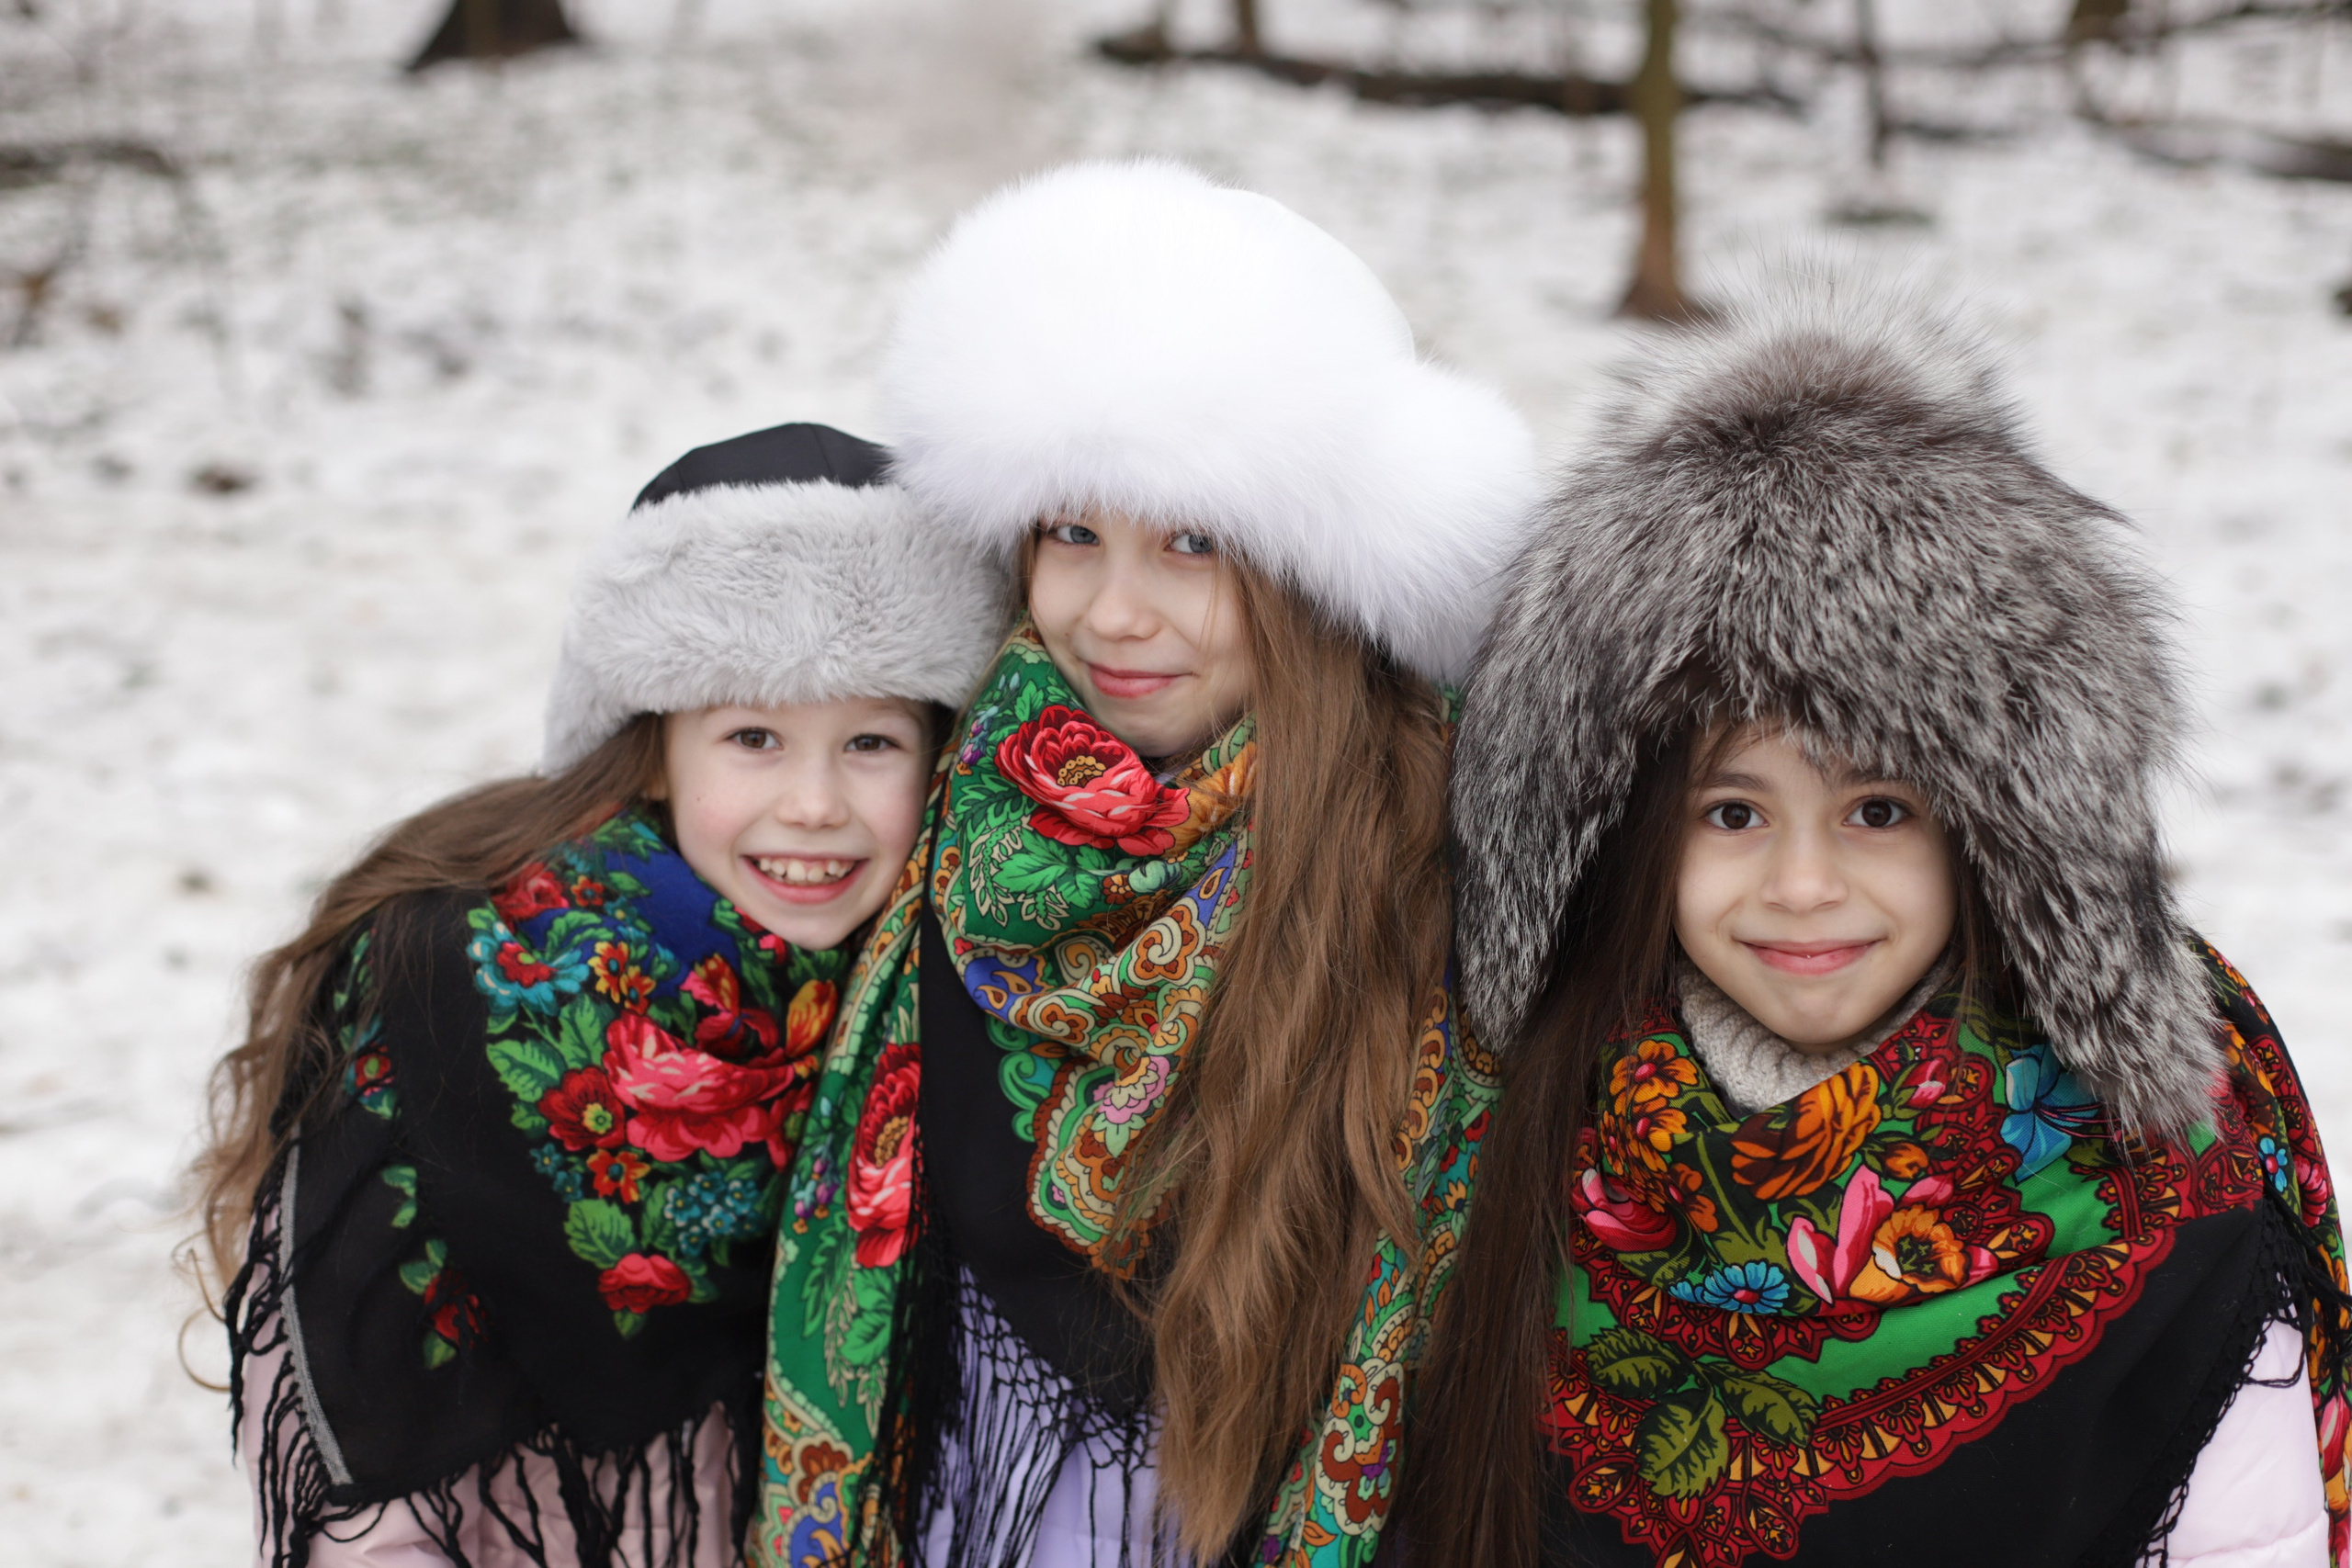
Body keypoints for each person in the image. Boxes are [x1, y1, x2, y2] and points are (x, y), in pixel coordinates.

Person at [1409, 288, 2352, 1568]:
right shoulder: (1521, 1145)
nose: (1803, 884)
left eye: (1877, 807)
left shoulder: (2161, 1195)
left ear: (1999, 823)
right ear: (1625, 828)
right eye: (1734, 811)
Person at [752, 160, 1539, 1568]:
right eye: (1073, 530)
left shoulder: (1455, 858)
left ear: (1314, 558)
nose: (1115, 612)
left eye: (1192, 539)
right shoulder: (956, 800)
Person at [194, 423, 1009, 1568]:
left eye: (870, 740)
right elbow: (363, 1399)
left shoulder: (936, 992)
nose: (816, 803)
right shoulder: (465, 988)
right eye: (755, 737)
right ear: (654, 748)